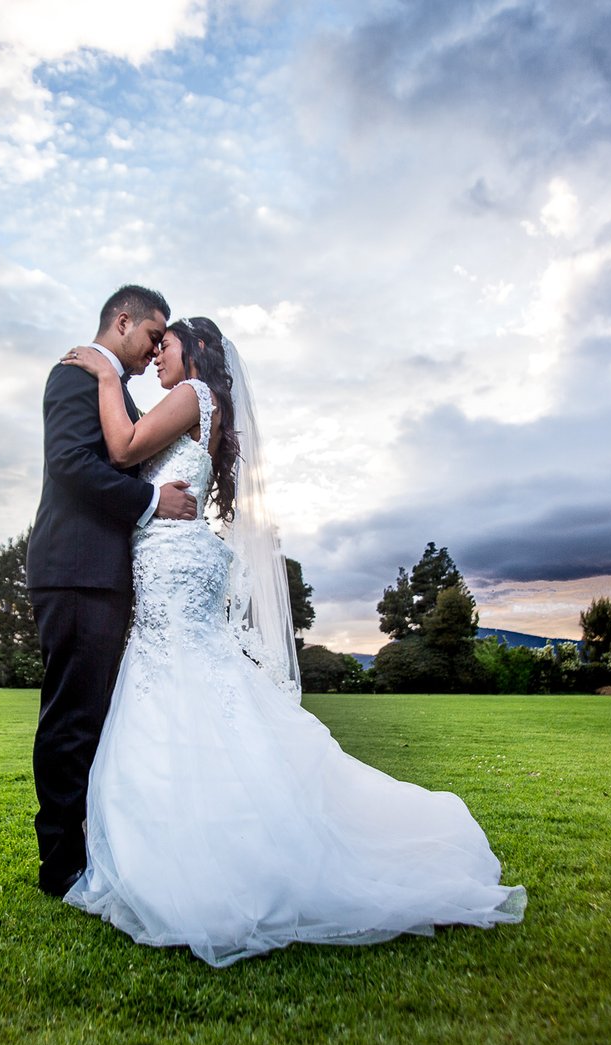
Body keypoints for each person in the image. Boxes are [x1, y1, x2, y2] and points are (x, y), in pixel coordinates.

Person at [56, 316, 526, 967]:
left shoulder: (192, 394)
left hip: (172, 563)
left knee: (173, 683)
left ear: (193, 350)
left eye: (164, 346)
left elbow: (124, 445)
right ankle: (206, 832)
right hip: (177, 560)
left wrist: (105, 372)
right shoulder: (200, 404)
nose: (156, 356)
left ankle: (194, 852)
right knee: (188, 685)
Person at [26, 285, 199, 898]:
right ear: (122, 321)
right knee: (72, 719)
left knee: (93, 716)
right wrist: (155, 500)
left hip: (103, 573)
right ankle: (60, 866)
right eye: (154, 335)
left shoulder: (111, 387)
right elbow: (73, 466)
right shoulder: (75, 376)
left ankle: (88, 848)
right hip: (75, 570)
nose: (156, 350)